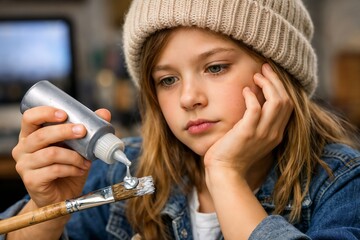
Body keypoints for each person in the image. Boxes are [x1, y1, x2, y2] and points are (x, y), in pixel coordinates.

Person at [1, 0, 360, 239]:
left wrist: (225, 173)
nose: (189, 98)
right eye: (167, 80)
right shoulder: (129, 173)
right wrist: (48, 209)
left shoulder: (343, 184)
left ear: (280, 75)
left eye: (216, 68)